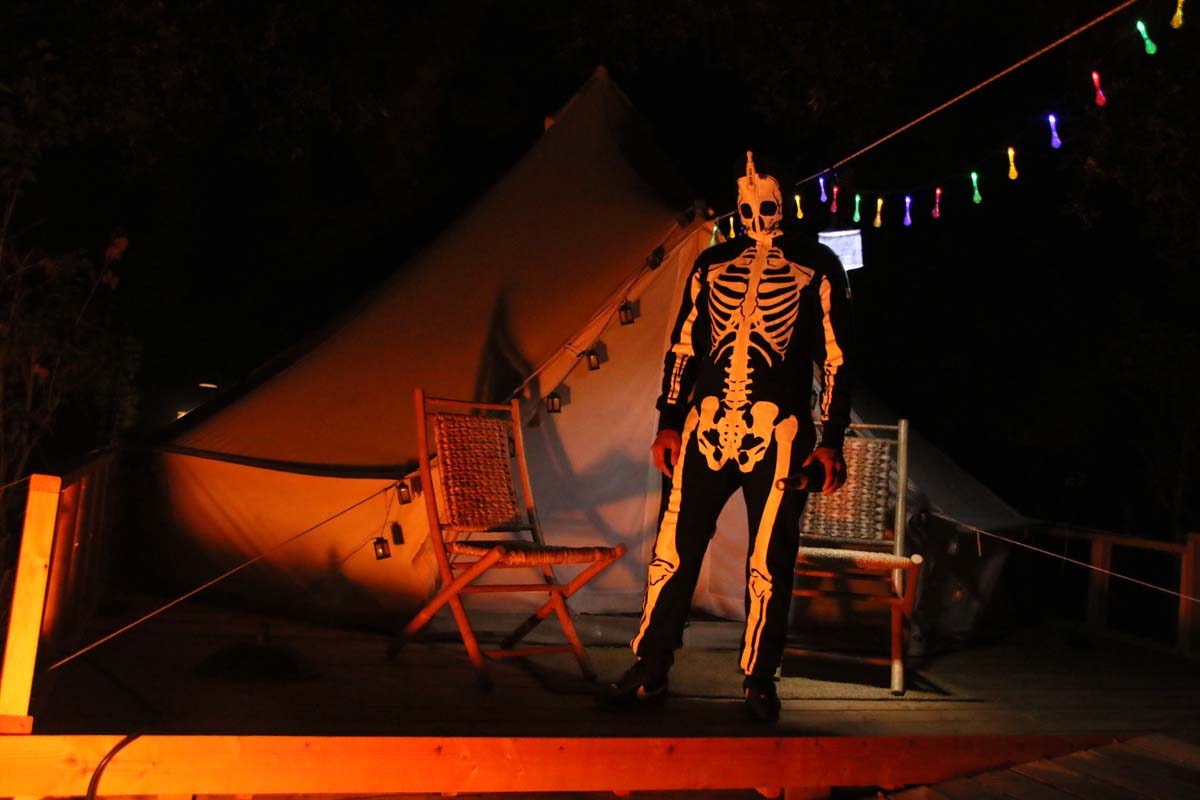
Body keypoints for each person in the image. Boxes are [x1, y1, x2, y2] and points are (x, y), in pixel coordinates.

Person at [597, 152, 854, 723]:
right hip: (705, 423)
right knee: (673, 550)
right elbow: (684, 346)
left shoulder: (817, 265)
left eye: (765, 199)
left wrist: (831, 437)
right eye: (746, 199)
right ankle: (650, 666)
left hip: (779, 430)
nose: (755, 210)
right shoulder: (712, 263)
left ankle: (760, 678)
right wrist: (668, 421)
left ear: (784, 200)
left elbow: (837, 356)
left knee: (770, 558)